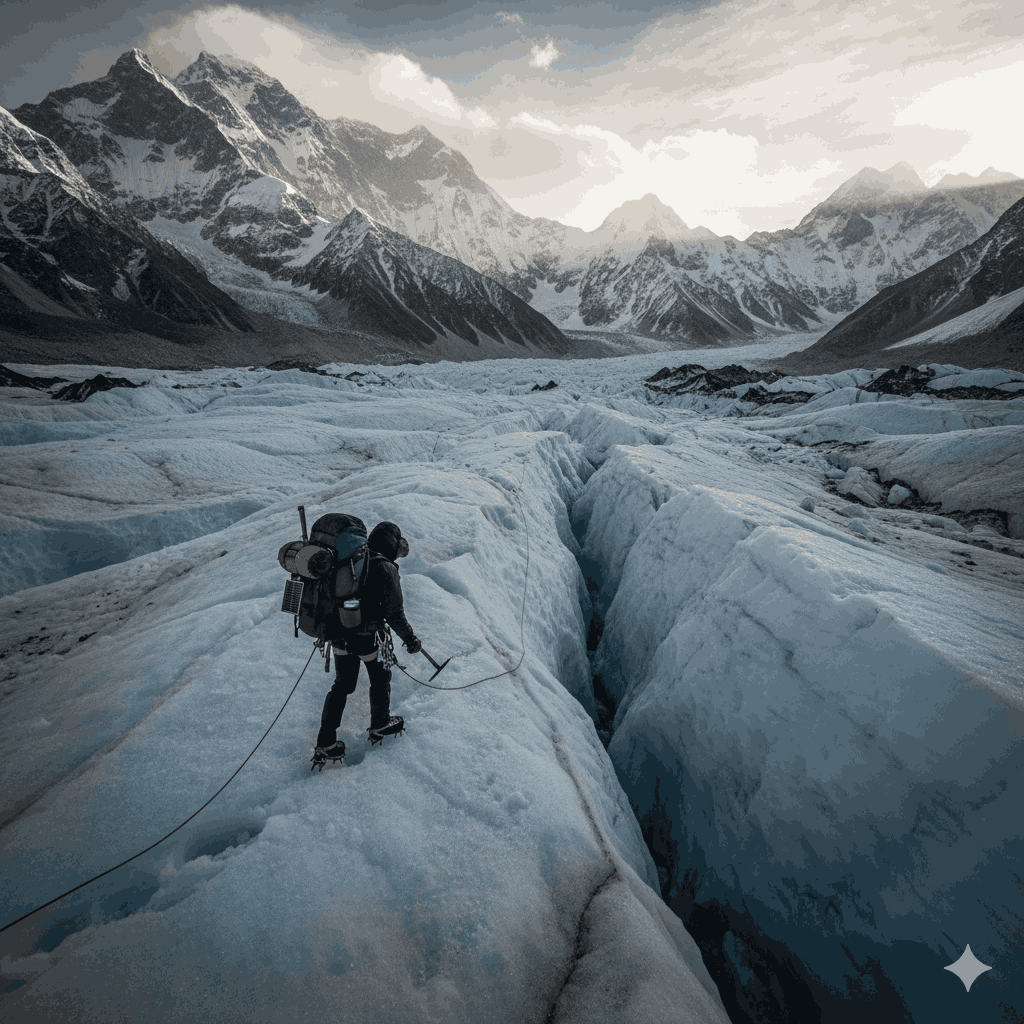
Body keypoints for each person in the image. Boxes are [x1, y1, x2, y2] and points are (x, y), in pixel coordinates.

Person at [313, 521, 421, 767]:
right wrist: (411, 640)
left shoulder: (349, 562)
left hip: (339, 635)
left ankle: (326, 742)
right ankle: (380, 724)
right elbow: (395, 614)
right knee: (380, 679)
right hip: (369, 639)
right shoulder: (385, 567)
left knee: (342, 685)